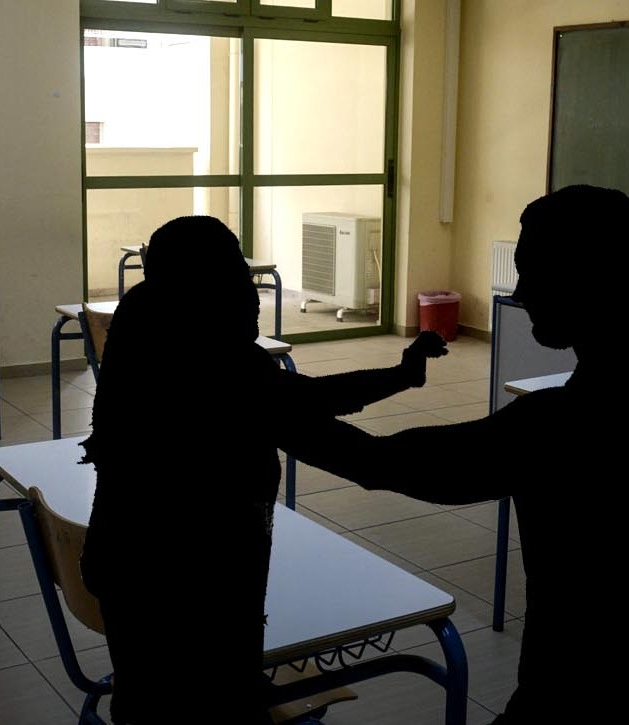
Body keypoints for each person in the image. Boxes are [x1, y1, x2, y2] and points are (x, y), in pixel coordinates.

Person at [287, 161, 629, 723]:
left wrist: (271, 413)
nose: (520, 292)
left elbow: (379, 462)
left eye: (535, 273)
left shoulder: (555, 428)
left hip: (568, 698)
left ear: (588, 281)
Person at [78, 215, 449, 724]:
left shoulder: (145, 324)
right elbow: (358, 453)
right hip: (198, 611)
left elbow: (298, 404)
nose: (253, 297)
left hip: (129, 584)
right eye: (236, 280)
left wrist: (401, 375)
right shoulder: (221, 372)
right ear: (201, 291)